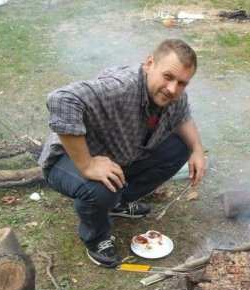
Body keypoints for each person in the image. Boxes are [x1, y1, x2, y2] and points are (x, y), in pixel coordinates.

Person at [38, 39, 205, 268]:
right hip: (66, 159)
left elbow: (182, 115)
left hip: (118, 155)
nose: (173, 88)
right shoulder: (120, 88)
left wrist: (197, 150)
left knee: (181, 146)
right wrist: (86, 164)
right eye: (168, 77)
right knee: (100, 190)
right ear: (149, 64)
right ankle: (96, 237)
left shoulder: (173, 95)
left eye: (182, 83)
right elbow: (61, 100)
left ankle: (117, 203)